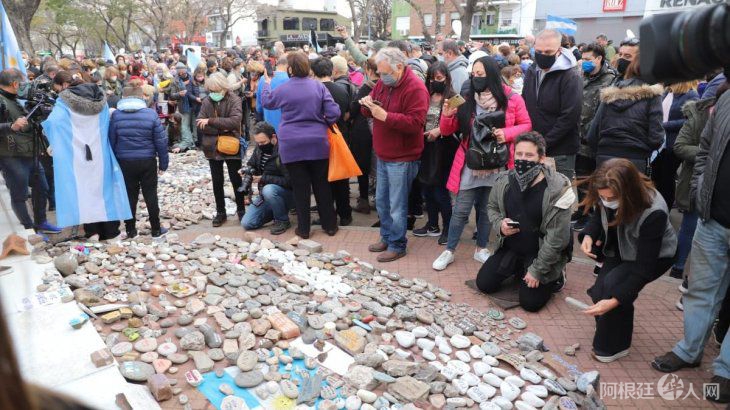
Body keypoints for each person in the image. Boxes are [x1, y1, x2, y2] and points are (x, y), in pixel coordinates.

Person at [651, 78, 730, 403]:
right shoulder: (724, 99)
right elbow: (706, 148)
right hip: (714, 218)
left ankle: (725, 370)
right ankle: (689, 349)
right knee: (700, 290)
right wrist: (700, 192)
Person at [431, 56, 532, 271]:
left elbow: (526, 124)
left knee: (488, 209)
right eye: (473, 74)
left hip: (499, 162)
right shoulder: (465, 97)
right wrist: (447, 117)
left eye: (481, 74)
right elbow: (448, 131)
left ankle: (481, 248)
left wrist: (506, 133)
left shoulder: (512, 98)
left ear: (492, 75)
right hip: (471, 163)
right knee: (461, 208)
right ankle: (449, 250)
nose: (476, 78)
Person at [579, 158, 677, 362]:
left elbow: (643, 269)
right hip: (619, 248)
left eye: (612, 198)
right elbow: (599, 216)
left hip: (654, 256)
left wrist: (615, 301)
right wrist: (588, 235)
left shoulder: (653, 211)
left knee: (614, 291)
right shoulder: (605, 190)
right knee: (600, 292)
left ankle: (614, 346)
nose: (606, 201)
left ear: (628, 190)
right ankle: (613, 327)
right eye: (602, 197)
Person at [476, 132, 574, 311]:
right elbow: (492, 207)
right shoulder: (505, 180)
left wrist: (538, 270)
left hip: (540, 251)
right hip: (511, 247)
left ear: (542, 158)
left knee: (530, 303)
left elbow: (557, 238)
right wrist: (500, 225)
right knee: (484, 284)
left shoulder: (558, 189)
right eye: (519, 154)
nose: (523, 160)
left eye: (529, 155)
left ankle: (556, 274)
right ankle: (518, 269)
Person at [259, 51, 340, 238]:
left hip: (292, 144)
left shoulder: (284, 88)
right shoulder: (318, 87)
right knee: (322, 186)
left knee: (300, 188)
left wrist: (267, 85)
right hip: (317, 142)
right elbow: (333, 112)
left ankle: (303, 229)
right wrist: (322, 121)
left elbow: (267, 102)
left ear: (290, 69)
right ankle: (330, 225)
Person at [360, 47, 429, 262]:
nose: (380, 77)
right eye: (379, 73)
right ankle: (387, 236)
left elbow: (417, 123)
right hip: (383, 153)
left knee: (397, 206)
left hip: (403, 157)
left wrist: (385, 116)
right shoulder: (384, 82)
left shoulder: (416, 88)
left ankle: (397, 244)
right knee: (382, 201)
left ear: (399, 67)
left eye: (383, 72)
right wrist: (367, 105)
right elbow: (373, 106)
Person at [42, 77, 131, 240]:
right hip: (100, 152)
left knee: (85, 191)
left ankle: (93, 232)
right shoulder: (102, 101)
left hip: (77, 155)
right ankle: (112, 232)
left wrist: (58, 142)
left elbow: (53, 122)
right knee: (105, 190)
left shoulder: (64, 102)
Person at [0, 69, 60, 234]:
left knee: (42, 187)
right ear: (14, 84)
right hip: (10, 156)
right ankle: (29, 228)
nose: (26, 87)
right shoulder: (2, 100)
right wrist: (10, 126)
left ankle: (41, 222)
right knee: (19, 194)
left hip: (29, 152)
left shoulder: (15, 99)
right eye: (23, 83)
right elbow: (11, 124)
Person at [586, 50, 664, 174]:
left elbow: (592, 134)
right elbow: (656, 138)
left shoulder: (610, 93)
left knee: (604, 193)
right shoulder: (653, 94)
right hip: (635, 161)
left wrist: (603, 152)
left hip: (605, 159)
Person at [109, 79, 169, 238]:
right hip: (147, 160)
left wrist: (113, 162)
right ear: (140, 97)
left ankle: (130, 230)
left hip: (125, 161)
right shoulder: (151, 114)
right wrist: (163, 163)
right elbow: (161, 142)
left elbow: (112, 141)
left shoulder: (116, 116)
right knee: (151, 194)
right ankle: (156, 229)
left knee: (129, 195)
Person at [671, 92, 719, 287]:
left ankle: (697, 278)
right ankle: (679, 266)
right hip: (695, 181)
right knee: (690, 225)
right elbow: (680, 146)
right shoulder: (698, 114)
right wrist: (711, 152)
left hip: (720, 188)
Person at [522, 29, 583, 179]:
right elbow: (525, 103)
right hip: (533, 146)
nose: (542, 55)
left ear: (559, 50)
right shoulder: (532, 70)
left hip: (560, 151)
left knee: (558, 198)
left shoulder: (570, 75)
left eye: (548, 52)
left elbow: (569, 116)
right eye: (538, 51)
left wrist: (544, 143)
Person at [413, 62, 459, 244]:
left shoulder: (455, 97)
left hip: (444, 149)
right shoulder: (426, 95)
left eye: (439, 78)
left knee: (440, 191)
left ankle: (448, 228)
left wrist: (439, 130)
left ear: (447, 78)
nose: (435, 81)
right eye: (432, 78)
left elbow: (458, 124)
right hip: (425, 148)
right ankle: (432, 225)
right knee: (427, 189)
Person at [573, 42, 617, 231]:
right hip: (577, 137)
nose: (584, 62)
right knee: (582, 178)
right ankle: (583, 209)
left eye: (588, 59)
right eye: (583, 59)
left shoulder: (611, 80)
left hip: (596, 140)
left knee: (596, 179)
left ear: (599, 58)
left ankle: (593, 216)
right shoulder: (579, 76)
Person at [196, 72, 245, 227]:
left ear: (223, 88)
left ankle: (241, 210)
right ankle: (220, 212)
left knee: (236, 179)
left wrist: (210, 121)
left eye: (216, 90)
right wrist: (221, 128)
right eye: (211, 90)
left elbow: (235, 122)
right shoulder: (206, 101)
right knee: (217, 181)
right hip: (212, 146)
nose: (213, 94)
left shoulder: (235, 99)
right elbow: (200, 125)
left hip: (231, 145)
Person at [311, 57, 353, 227]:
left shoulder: (315, 91)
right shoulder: (343, 89)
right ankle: (345, 214)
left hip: (321, 139)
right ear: (332, 70)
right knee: (342, 179)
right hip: (341, 137)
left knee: (323, 180)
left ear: (314, 72)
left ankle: (328, 215)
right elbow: (348, 114)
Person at [651, 80, 699, 208]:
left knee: (667, 178)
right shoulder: (667, 93)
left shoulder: (691, 96)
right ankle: (655, 205)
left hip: (673, 145)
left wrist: (666, 125)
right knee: (656, 175)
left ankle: (665, 207)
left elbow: (691, 120)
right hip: (659, 143)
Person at [240, 121, 293, 235]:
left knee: (269, 189)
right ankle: (275, 211)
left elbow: (291, 181)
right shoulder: (259, 149)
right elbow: (252, 164)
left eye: (263, 142)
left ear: (273, 137)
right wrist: (246, 170)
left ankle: (282, 220)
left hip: (286, 194)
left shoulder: (283, 151)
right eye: (258, 142)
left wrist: (263, 178)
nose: (260, 145)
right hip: (266, 195)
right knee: (247, 223)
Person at [349, 58, 378, 215]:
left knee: (363, 166)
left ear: (369, 70)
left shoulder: (366, 87)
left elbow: (354, 108)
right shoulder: (386, 86)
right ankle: (377, 198)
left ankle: (364, 199)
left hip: (363, 130)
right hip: (380, 129)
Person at [255, 56, 289, 132]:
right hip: (286, 126)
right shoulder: (289, 80)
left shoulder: (264, 78)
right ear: (288, 66)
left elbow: (259, 107)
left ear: (277, 64)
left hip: (268, 125)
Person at [170, 62, 196, 152]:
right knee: (185, 125)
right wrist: (179, 94)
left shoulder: (192, 77)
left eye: (183, 71)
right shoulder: (175, 80)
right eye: (179, 72)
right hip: (183, 106)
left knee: (195, 125)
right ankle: (189, 143)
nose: (181, 73)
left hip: (194, 103)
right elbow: (172, 95)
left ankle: (195, 142)